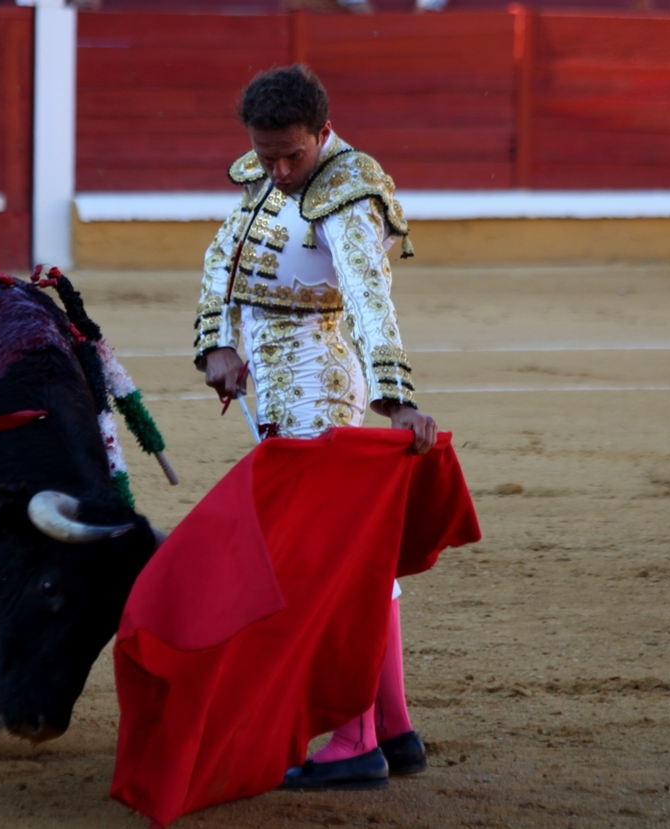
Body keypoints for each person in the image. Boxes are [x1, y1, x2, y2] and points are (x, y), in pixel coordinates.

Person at [193, 64, 436, 790]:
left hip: (322, 386)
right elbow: (221, 260)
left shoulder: (346, 193)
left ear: (323, 133)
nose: (277, 169)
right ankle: (392, 726)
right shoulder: (270, 172)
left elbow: (368, 301)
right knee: (343, 555)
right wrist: (220, 344)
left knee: (331, 561)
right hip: (269, 382)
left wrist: (394, 401)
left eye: (291, 154)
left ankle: (356, 737)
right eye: (265, 154)